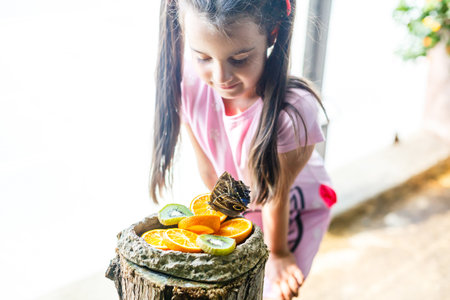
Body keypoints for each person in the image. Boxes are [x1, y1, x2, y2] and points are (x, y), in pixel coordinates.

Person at [149, 0, 337, 299]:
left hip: (291, 207)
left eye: (239, 59)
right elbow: (210, 169)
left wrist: (278, 254)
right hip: (243, 200)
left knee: (271, 289)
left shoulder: (293, 113)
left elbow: (277, 192)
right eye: (203, 57)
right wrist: (222, 226)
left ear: (273, 32)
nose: (221, 77)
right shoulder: (189, 85)